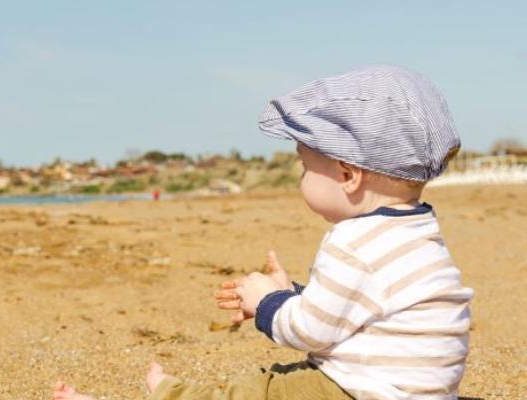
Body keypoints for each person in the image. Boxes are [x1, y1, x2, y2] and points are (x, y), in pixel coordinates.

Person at [53, 65, 473, 400]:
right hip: (411, 389)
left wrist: (266, 302)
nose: (301, 173)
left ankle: (171, 394)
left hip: (359, 391)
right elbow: (356, 309)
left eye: (305, 164)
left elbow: (310, 331)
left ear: (347, 175)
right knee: (287, 380)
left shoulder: (352, 242)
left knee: (259, 392)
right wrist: (292, 293)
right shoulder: (418, 229)